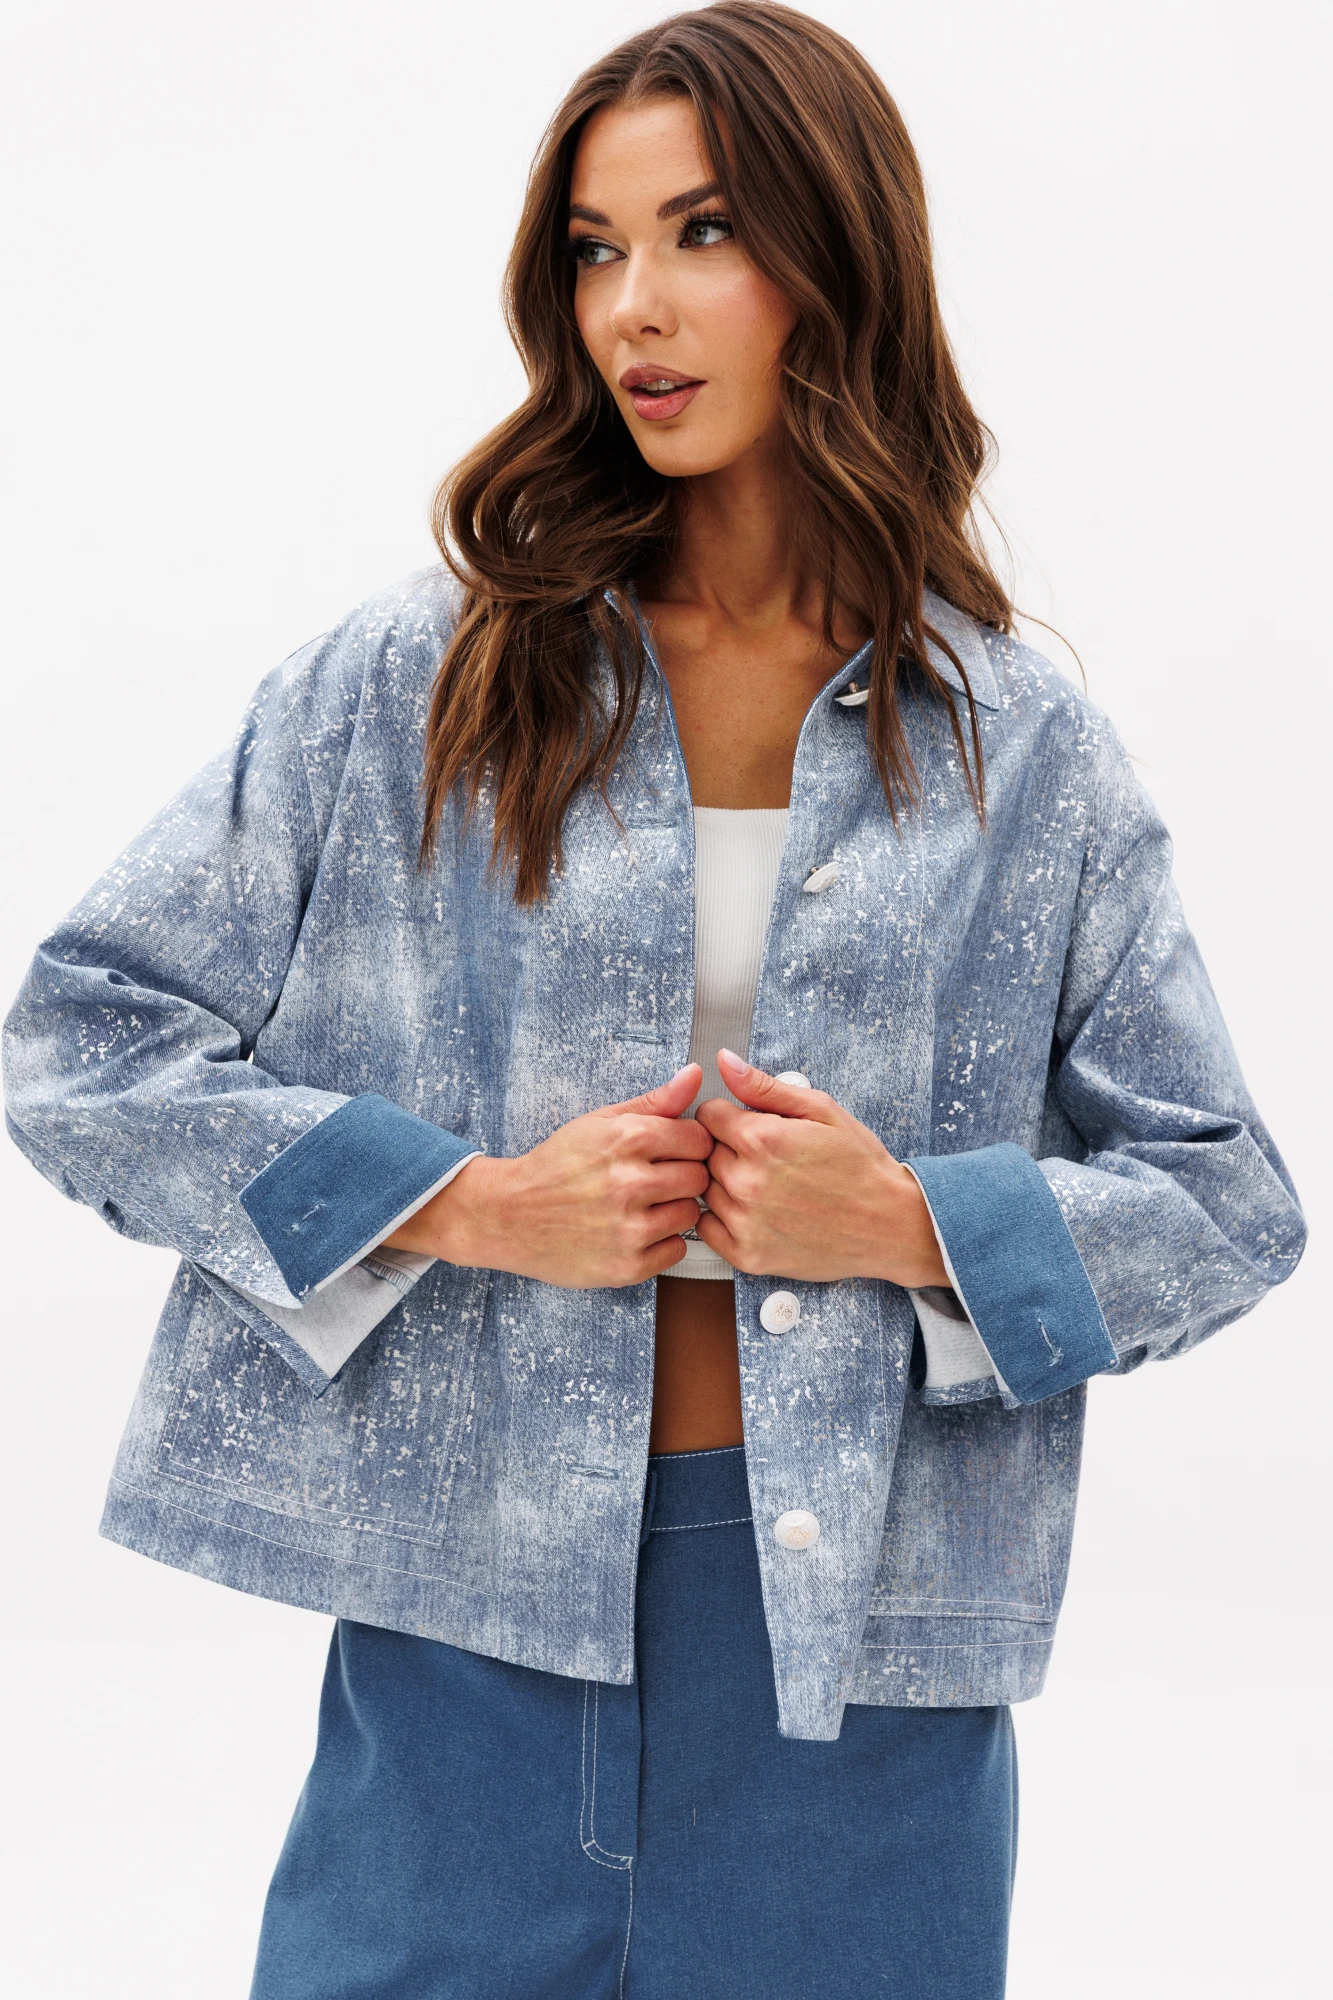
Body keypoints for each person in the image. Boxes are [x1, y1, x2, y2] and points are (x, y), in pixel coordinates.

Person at [2, 5, 1306, 1995]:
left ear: (836, 260)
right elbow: (84, 1039)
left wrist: (913, 1224)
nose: (637, 307)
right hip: (462, 1642)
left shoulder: (1020, 749)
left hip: (857, 1695)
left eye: (702, 232)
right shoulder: (421, 684)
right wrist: (470, 1203)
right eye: (596, 251)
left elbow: (1225, 1197)